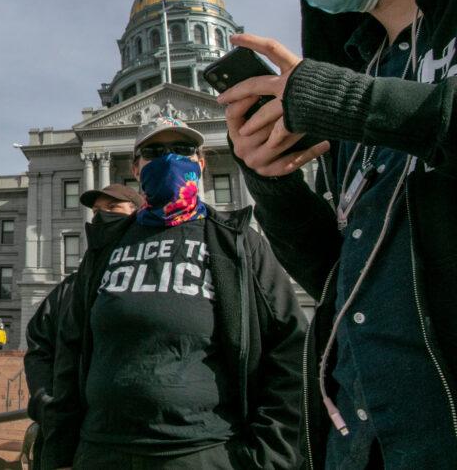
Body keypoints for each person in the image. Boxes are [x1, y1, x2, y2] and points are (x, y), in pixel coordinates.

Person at [214, 0, 457, 468]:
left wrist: (338, 98)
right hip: (365, 439)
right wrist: (271, 181)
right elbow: (337, 272)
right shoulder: (359, 75)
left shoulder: (349, 91)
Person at [43, 116, 307, 469]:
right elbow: (69, 355)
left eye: (182, 150)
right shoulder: (105, 247)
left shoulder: (238, 243)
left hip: (204, 452)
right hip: (102, 450)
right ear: (135, 168)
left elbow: (291, 350)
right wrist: (58, 452)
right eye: (154, 151)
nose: (169, 159)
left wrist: (268, 457)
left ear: (201, 163)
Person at [24, 183, 143, 470]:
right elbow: (39, 343)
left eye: (113, 208)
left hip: (139, 440)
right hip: (75, 441)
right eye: (97, 211)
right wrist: (47, 403)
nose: (101, 217)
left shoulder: (152, 281)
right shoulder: (72, 287)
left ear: (139, 213)